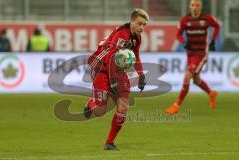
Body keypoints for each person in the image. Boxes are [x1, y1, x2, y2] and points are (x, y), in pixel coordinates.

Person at [83, 8, 149, 150]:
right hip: (101, 66)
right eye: (140, 24)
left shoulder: (136, 38)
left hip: (117, 68)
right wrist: (112, 81)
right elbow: (111, 57)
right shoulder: (122, 35)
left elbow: (136, 56)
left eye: (144, 25)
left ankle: (109, 143)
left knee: (123, 106)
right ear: (132, 21)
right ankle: (91, 103)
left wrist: (141, 75)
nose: (142, 28)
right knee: (100, 111)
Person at [165, 0, 220, 115]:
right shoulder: (185, 20)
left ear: (201, 7)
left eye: (197, 5)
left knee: (187, 77)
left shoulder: (207, 19)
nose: (195, 7)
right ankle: (211, 93)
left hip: (201, 53)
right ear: (190, 7)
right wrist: (184, 42)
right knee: (196, 79)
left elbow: (217, 26)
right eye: (193, 5)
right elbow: (178, 35)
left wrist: (213, 39)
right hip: (190, 53)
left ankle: (176, 105)